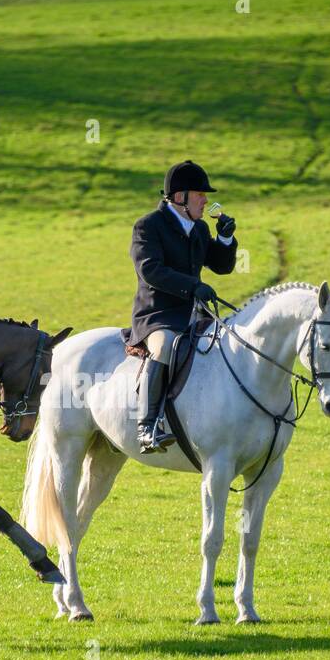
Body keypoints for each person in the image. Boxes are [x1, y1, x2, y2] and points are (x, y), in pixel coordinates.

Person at [127, 160, 237, 452]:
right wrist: (192, 286)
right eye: (199, 194)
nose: (206, 199)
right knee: (164, 347)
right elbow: (150, 270)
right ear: (179, 198)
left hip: (195, 315)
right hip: (158, 316)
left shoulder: (199, 228)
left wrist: (225, 238)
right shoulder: (148, 226)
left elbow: (222, 266)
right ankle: (146, 427)